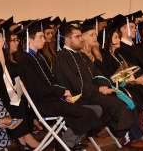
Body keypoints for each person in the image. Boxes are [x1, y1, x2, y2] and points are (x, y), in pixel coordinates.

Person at [53, 23, 143, 150]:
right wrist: (97, 89)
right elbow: (75, 82)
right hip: (78, 96)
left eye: (81, 36)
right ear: (67, 39)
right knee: (115, 104)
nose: (82, 39)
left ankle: (134, 136)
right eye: (78, 37)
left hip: (90, 93)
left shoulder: (81, 55)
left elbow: (96, 74)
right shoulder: (62, 58)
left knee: (116, 103)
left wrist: (102, 85)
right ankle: (133, 136)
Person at [17, 21, 105, 151]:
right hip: (44, 104)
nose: (45, 40)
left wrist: (64, 94)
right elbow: (39, 89)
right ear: (30, 39)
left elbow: (52, 81)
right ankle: (64, 145)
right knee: (87, 113)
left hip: (54, 99)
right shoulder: (25, 60)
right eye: (41, 37)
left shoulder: (38, 57)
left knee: (97, 109)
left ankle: (69, 143)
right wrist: (62, 93)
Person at [0, 25, 39, 150]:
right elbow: (0, 72)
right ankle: (22, 138)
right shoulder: (3, 59)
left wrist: (20, 94)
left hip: (9, 94)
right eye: (13, 40)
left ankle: (24, 138)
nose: (17, 43)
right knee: (17, 103)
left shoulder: (14, 59)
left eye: (17, 40)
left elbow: (18, 81)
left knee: (22, 100)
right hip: (3, 95)